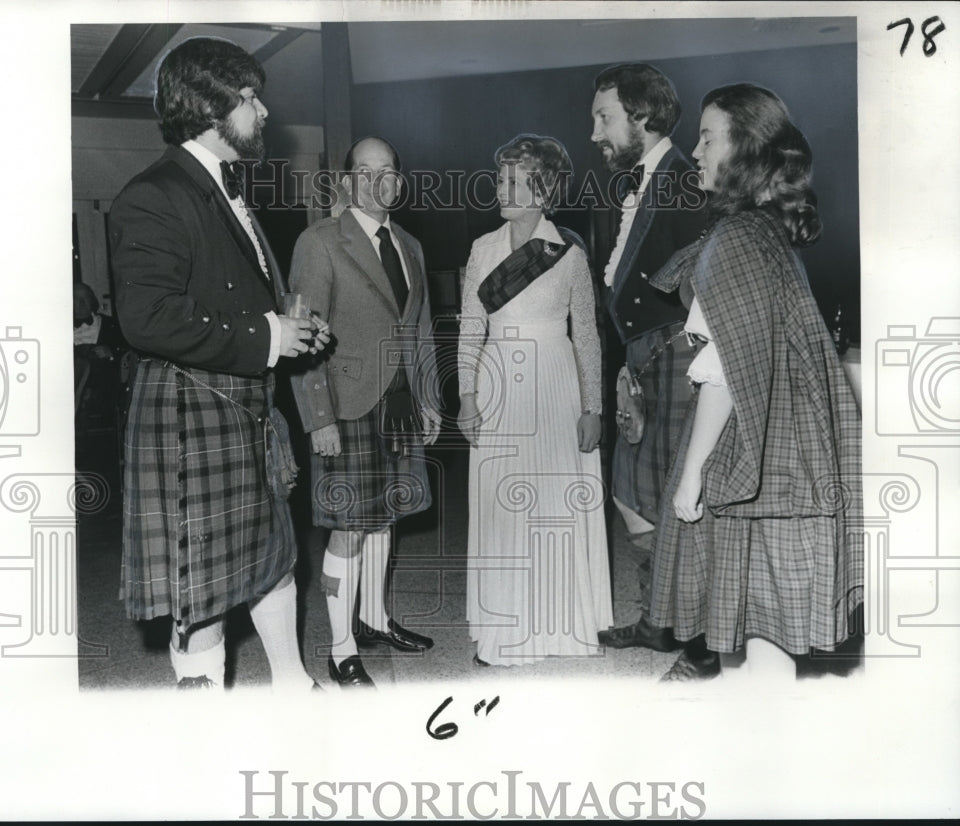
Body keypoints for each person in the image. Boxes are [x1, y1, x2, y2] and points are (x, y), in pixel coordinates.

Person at [108, 37, 326, 692]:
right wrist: (265, 335)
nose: (263, 113)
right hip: (190, 410)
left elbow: (225, 295)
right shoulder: (153, 194)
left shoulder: (224, 189)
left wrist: (289, 329)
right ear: (210, 105)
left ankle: (294, 686)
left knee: (272, 560)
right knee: (200, 592)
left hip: (239, 405)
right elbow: (145, 318)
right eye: (251, 98)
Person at [647, 83, 862, 680]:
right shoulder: (766, 231)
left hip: (757, 441)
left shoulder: (737, 239)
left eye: (708, 136)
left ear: (743, 148)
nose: (695, 149)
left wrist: (691, 476)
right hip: (792, 442)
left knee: (751, 604)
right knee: (769, 605)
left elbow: (723, 374)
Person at [288, 136, 442, 688]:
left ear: (398, 180)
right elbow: (302, 332)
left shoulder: (410, 245)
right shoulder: (320, 242)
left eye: (388, 171)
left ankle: (374, 620)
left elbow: (420, 330)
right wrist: (318, 417)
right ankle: (340, 647)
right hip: (348, 406)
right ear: (348, 181)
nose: (378, 181)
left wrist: (428, 397)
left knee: (385, 517)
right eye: (364, 170)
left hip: (400, 402)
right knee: (348, 528)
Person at [458, 134, 612, 667]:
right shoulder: (482, 249)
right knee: (504, 508)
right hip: (499, 386)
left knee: (553, 505)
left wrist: (593, 407)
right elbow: (469, 330)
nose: (502, 188)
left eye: (515, 180)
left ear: (543, 189)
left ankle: (562, 626)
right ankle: (507, 628)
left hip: (555, 386)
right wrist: (466, 394)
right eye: (501, 178)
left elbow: (588, 335)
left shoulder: (568, 252)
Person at [589, 63, 717, 677]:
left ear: (642, 117)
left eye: (604, 117)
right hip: (643, 358)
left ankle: (701, 646)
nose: (595, 132)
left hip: (678, 357)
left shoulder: (683, 180)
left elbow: (707, 286)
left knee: (685, 506)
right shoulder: (644, 178)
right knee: (634, 498)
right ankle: (659, 619)